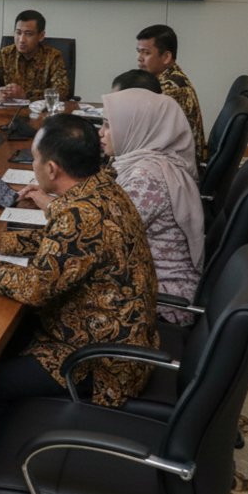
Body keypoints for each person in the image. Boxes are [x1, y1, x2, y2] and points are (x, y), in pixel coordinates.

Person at [0, 114, 157, 429]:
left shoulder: (80, 216)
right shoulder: (101, 187)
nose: (33, 165)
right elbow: (60, 244)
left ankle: (15, 456)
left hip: (100, 358)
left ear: (51, 168)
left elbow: (35, 288)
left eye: (35, 159)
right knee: (4, 342)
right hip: (117, 332)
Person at [101, 89, 203, 325]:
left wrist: (52, 206)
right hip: (149, 279)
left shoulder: (147, 178)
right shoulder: (155, 162)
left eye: (108, 125)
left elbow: (101, 236)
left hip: (163, 297)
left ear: (135, 126)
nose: (101, 133)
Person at [136, 24, 206, 166]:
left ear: (166, 56)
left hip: (177, 167)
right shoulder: (168, 78)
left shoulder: (172, 88)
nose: (139, 58)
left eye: (146, 53)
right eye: (139, 52)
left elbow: (144, 133)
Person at [0, 10, 69, 102]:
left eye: (28, 34)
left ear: (41, 36)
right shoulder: (5, 54)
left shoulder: (53, 57)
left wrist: (25, 95)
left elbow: (61, 92)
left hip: (41, 113)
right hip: (8, 112)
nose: (22, 40)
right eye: (18, 33)